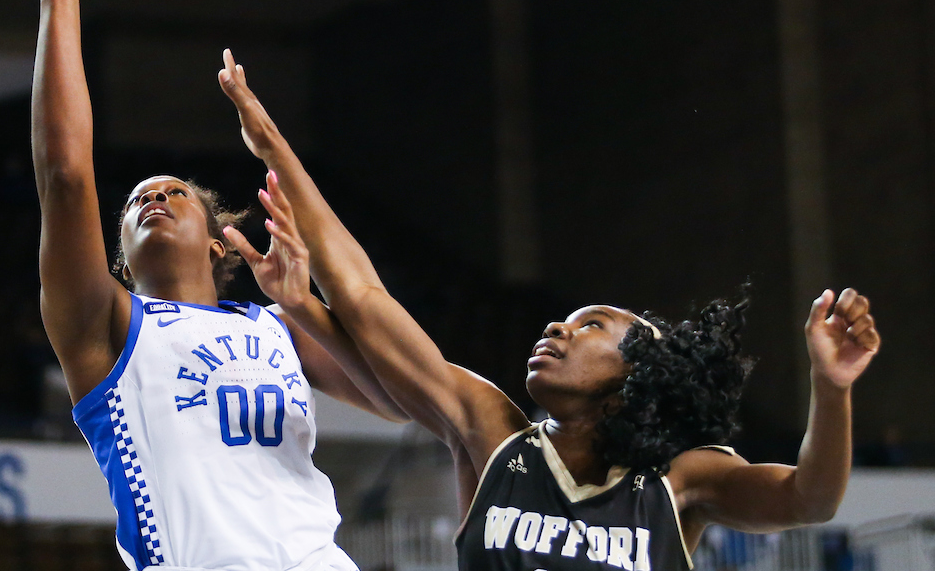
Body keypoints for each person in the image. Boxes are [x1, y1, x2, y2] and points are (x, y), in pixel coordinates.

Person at [217, 51, 882, 571]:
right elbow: (365, 298)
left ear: (638, 374)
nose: (558, 326)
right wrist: (273, 146)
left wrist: (832, 386)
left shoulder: (681, 480)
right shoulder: (492, 431)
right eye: (565, 319)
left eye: (593, 325)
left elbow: (809, 500)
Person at [0, 0, 407, 571]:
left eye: (175, 193)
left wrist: (303, 306)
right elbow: (65, 174)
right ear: (118, 255)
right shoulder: (108, 325)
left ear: (218, 242)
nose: (153, 199)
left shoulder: (278, 329)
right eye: (138, 199)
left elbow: (398, 401)